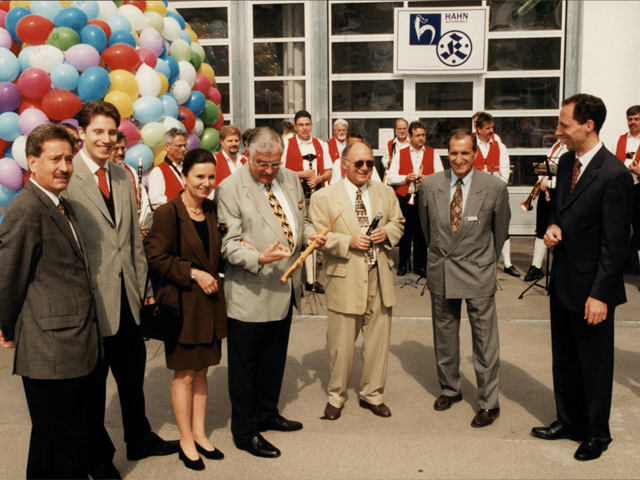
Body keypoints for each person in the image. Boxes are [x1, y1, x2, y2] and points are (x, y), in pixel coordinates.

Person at [62, 101, 177, 478]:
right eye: (97, 131)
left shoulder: (124, 176)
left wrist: (144, 287)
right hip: (91, 304)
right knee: (92, 389)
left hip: (129, 297)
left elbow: (130, 240)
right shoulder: (67, 177)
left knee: (132, 376)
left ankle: (139, 436)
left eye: (112, 132)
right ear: (81, 133)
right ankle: (98, 458)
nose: (106, 139)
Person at [0, 124, 105, 479]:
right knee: (65, 444)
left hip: (73, 344)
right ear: (32, 162)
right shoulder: (26, 209)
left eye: (69, 159)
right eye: (55, 159)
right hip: (51, 350)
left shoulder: (63, 205)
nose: (64, 167)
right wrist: (7, 325)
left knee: (51, 442)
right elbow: (8, 277)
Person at [532, 94, 633, 461]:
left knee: (594, 363)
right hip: (563, 281)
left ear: (588, 126)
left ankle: (596, 433)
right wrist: (554, 226)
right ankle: (569, 421)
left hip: (593, 288)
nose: (558, 131)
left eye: (564, 125)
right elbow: (560, 211)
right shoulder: (566, 164)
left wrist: (601, 295)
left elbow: (616, 244)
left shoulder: (614, 174)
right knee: (565, 358)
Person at [215, 127, 325, 458]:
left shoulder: (290, 178)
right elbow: (228, 245)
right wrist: (258, 257)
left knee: (273, 359)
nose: (269, 170)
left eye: (275, 163)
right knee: (245, 366)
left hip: (285, 286)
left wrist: (311, 237)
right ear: (247, 154)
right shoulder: (230, 189)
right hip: (251, 289)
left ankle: (267, 412)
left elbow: (300, 221)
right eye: (262, 163)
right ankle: (245, 431)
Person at [419, 128, 510, 428]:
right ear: (447, 153)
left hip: (478, 269)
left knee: (485, 341)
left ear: (475, 153)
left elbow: (500, 232)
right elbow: (426, 229)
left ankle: (489, 402)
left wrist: (487, 262)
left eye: (465, 153)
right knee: (444, 334)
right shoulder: (430, 184)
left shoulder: (494, 187)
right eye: (454, 153)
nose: (459, 159)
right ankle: (450, 388)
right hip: (442, 269)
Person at [309, 142, 404, 420]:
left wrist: (387, 233)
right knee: (341, 345)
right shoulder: (324, 197)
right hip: (345, 277)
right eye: (359, 163)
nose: (364, 168)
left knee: (377, 343)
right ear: (344, 164)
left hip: (379, 277)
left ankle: (372, 395)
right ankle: (336, 397)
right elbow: (318, 236)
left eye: (369, 164)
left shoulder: (385, 193)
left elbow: (399, 222)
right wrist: (347, 241)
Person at [147, 149, 227, 471]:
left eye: (211, 177)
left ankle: (199, 433)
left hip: (208, 304)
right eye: (199, 177)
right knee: (184, 374)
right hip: (182, 305)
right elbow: (156, 257)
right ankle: (185, 439)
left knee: (203, 370)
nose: (206, 183)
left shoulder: (211, 210)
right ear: (184, 176)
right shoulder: (168, 212)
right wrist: (194, 273)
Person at [282, 110, 332, 293]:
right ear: (295, 127)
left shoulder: (320, 144)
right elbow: (279, 171)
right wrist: (301, 174)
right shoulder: (286, 144)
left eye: (307, 124)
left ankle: (311, 281)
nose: (304, 128)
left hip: (315, 196)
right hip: (293, 196)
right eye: (300, 124)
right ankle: (294, 279)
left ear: (311, 125)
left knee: (313, 236)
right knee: (294, 236)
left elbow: (329, 171)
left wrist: (319, 179)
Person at [387, 120, 443, 277]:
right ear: (410, 137)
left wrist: (427, 179)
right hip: (405, 197)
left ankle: (421, 266)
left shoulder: (433, 153)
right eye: (417, 135)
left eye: (423, 135)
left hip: (424, 198)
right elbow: (390, 178)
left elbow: (440, 177)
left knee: (421, 233)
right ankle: (403, 265)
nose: (421, 138)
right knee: (404, 233)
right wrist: (406, 178)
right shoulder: (400, 153)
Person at [474, 112, 520, 278]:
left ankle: (507, 263)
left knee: (502, 226)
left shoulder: (499, 145)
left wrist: (499, 186)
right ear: (478, 129)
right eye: (487, 128)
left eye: (492, 127)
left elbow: (505, 168)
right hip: (476, 192)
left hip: (496, 191)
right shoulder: (471, 143)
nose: (491, 130)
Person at [523, 139, 567, 282]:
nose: (559, 131)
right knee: (541, 227)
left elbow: (569, 175)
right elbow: (545, 167)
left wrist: (550, 183)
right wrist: (542, 181)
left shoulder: (573, 149)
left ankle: (560, 269)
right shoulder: (556, 146)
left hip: (561, 192)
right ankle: (536, 267)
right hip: (546, 190)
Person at [108, 131, 151, 235]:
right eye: (116, 148)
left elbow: (143, 198)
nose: (120, 152)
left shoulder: (130, 170)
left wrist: (143, 224)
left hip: (135, 228)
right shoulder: (103, 171)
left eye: (123, 148)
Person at [615, 106, 640, 269]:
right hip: (622, 190)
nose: (633, 122)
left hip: (639, 188)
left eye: (636, 119)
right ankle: (620, 266)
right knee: (619, 229)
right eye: (630, 119)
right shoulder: (620, 139)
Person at [148, 128, 189, 209]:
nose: (183, 149)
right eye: (179, 146)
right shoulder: (158, 171)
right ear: (167, 147)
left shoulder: (190, 167)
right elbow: (157, 202)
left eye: (185, 145)